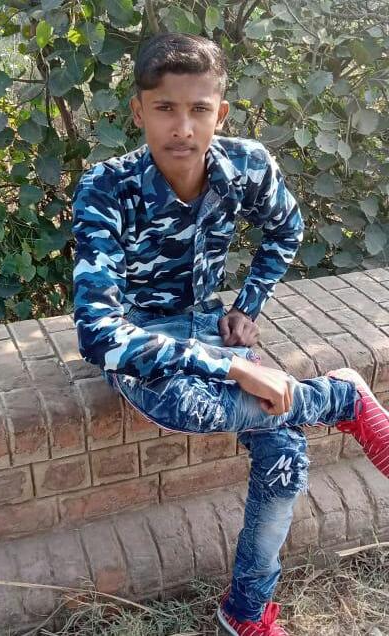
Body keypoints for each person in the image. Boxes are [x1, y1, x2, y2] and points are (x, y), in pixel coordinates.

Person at [71, 32, 389, 636]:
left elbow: (286, 229)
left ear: (220, 113)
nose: (182, 127)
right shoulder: (106, 187)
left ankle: (244, 612)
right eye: (165, 108)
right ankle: (341, 396)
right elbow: (98, 332)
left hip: (211, 326)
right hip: (145, 342)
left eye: (199, 109)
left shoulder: (247, 165)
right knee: (185, 406)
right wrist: (235, 367)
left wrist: (249, 305)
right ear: (138, 111)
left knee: (285, 454)